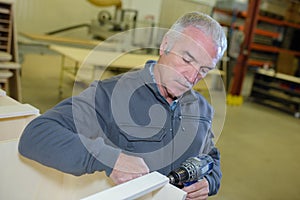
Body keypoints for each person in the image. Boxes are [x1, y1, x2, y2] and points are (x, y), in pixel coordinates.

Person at [19, 11, 227, 200]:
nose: (191, 77)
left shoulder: (202, 108)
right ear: (165, 45)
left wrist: (211, 181)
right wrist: (109, 158)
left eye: (204, 70)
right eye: (187, 60)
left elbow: (209, 156)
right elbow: (36, 135)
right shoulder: (109, 95)